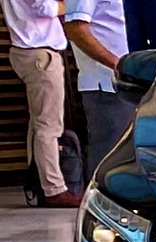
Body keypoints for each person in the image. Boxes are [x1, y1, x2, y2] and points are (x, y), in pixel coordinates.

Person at [6, 0, 77, 207]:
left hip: (27, 50)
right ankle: (54, 189)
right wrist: (68, 5)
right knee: (49, 125)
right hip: (40, 52)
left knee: (39, 124)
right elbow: (45, 7)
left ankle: (38, 183)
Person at [63, 0, 131, 170]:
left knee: (123, 158)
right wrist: (117, 64)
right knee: (108, 157)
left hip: (126, 84)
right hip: (106, 83)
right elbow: (75, 29)